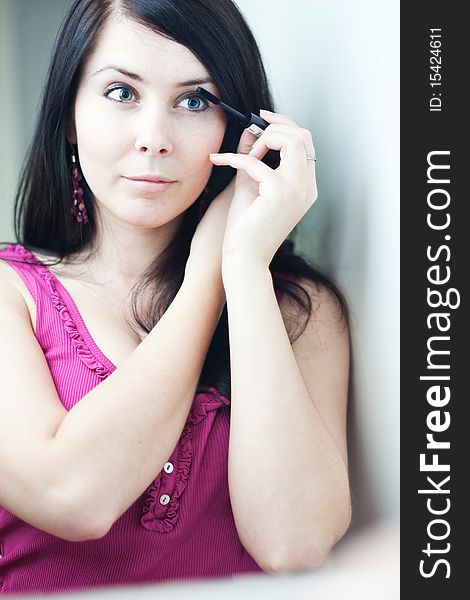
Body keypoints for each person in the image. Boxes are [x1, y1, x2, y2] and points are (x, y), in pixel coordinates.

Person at [0, 0, 351, 595]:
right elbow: (72, 497)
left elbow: (295, 545)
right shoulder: (14, 292)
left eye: (195, 101)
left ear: (240, 131)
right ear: (68, 116)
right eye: (121, 93)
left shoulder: (298, 311)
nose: (154, 139)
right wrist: (209, 269)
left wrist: (241, 265)